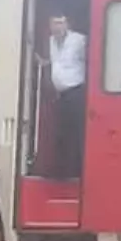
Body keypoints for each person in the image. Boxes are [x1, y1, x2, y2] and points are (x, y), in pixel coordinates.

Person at [44, 14, 86, 179]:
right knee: (62, 133)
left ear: (67, 24)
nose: (57, 27)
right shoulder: (51, 41)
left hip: (77, 93)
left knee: (76, 134)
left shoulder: (80, 41)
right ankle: (62, 172)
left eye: (61, 23)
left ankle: (75, 172)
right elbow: (59, 63)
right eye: (54, 23)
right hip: (61, 95)